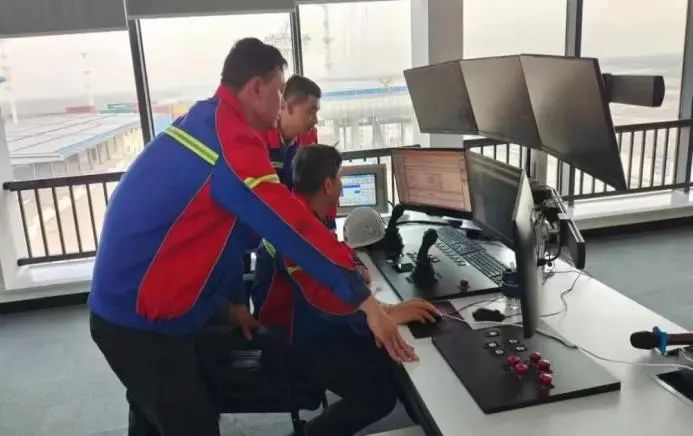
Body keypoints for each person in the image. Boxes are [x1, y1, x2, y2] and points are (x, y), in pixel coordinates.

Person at [88, 38, 415, 436]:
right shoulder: (232, 141)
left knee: (151, 417)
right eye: (279, 92)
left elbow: (221, 240)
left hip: (128, 307)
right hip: (139, 321)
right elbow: (290, 226)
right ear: (256, 88)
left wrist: (231, 304)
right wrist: (366, 302)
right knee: (191, 424)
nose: (281, 103)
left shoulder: (208, 122)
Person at [252, 145, 439, 436]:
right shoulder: (297, 229)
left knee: (389, 357)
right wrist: (384, 313)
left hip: (311, 325)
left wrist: (357, 270)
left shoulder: (300, 211)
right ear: (327, 185)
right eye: (339, 179)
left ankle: (423, 418)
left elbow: (333, 251)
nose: (341, 186)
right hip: (297, 337)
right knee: (378, 394)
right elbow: (321, 302)